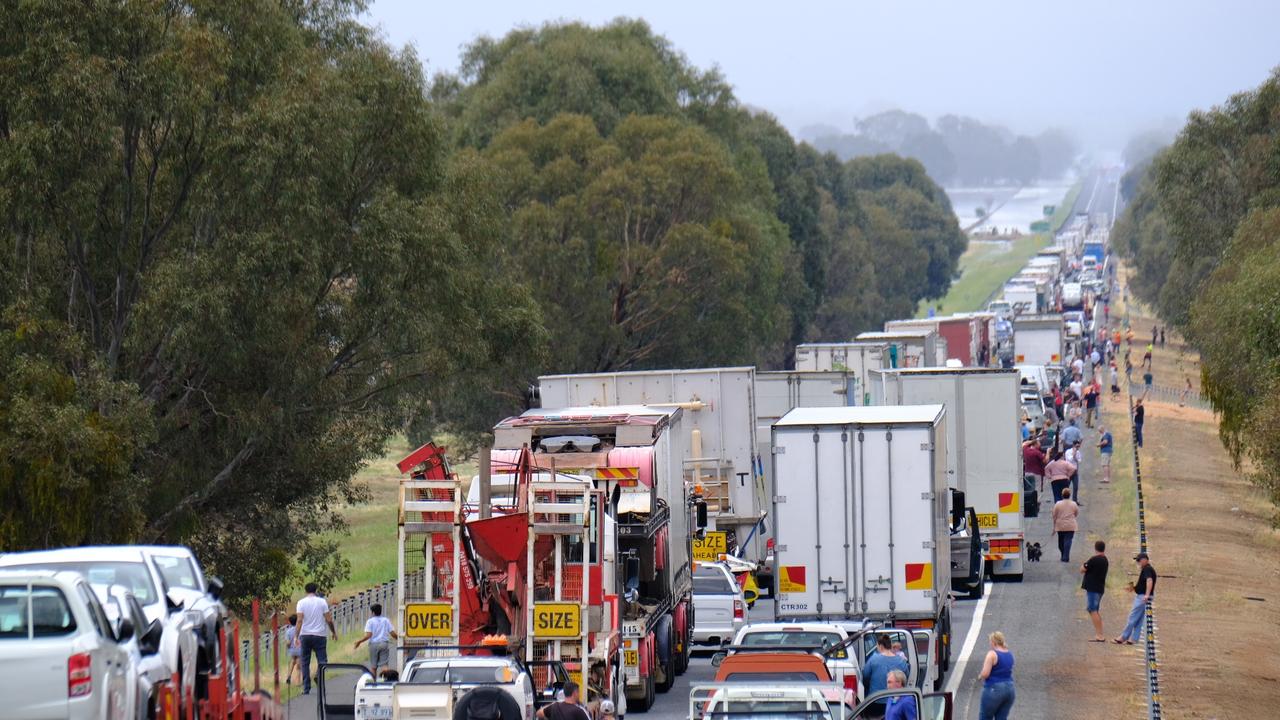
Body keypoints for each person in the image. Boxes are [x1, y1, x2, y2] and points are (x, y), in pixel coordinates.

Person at [294, 582, 337, 695]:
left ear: (306, 591)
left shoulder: (301, 603)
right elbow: (329, 619)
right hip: (320, 635)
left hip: (305, 635)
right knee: (322, 660)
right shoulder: (322, 602)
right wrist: (333, 632)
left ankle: (306, 688)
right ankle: (319, 676)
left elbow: (299, 620)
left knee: (305, 662)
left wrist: (296, 636)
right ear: (316, 590)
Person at [862, 634, 910, 716]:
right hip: (895, 701)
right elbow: (906, 678)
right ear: (890, 646)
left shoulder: (874, 659)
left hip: (875, 701)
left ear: (880, 646)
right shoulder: (901, 661)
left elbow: (865, 676)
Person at [1115, 553, 1157, 645]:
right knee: (1139, 619)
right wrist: (1133, 588)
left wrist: (1146, 595)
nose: (1137, 562)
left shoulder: (1147, 569)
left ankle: (1123, 637)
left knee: (1132, 617)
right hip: (1144, 595)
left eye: (1138, 560)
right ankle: (1134, 639)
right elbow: (1144, 584)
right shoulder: (1147, 569)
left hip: (1143, 597)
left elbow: (1149, 581)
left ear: (1144, 560)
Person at [354, 602, 399, 678]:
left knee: (373, 667)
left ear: (373, 612)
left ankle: (374, 684)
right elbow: (392, 633)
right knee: (384, 665)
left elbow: (369, 635)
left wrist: (359, 641)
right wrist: (399, 639)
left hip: (373, 645)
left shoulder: (370, 621)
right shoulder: (385, 620)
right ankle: (386, 681)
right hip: (384, 643)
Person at [978, 631, 1015, 720]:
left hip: (994, 689)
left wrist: (980, 676)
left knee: (985, 716)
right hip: (1010, 689)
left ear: (993, 642)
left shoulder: (992, 654)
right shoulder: (1009, 654)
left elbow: (986, 673)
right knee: (1002, 717)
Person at [1081, 540, 1110, 642]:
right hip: (1099, 587)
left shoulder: (1094, 559)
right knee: (1095, 611)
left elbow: (1082, 569)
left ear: (1095, 548)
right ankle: (1099, 634)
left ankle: (1100, 635)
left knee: (1092, 610)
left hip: (1093, 588)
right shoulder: (1105, 560)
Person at [1051, 489, 1079, 562]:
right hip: (1071, 525)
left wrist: (1054, 527)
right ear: (1069, 495)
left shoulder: (1058, 504)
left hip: (1060, 526)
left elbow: (1054, 515)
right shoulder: (1074, 504)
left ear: (1062, 495)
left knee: (1061, 542)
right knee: (1068, 540)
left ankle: (1064, 555)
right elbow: (1076, 513)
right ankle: (1065, 556)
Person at [283, 614, 301, 686]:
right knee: (299, 666)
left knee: (292, 662)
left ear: (290, 622)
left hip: (292, 650)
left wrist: (287, 648)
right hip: (300, 649)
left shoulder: (288, 631)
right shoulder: (300, 629)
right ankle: (298, 681)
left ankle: (289, 676)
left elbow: (288, 642)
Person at [1065, 439, 1083, 505]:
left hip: (1075, 471)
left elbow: (1079, 460)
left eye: (1078, 446)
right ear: (1073, 446)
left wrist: (1075, 455)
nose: (1078, 448)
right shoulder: (1068, 452)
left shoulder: (1078, 452)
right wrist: (1074, 454)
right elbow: (1069, 459)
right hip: (1068, 471)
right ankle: (1065, 500)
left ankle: (1074, 500)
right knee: (1066, 486)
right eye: (1077, 446)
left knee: (1076, 487)